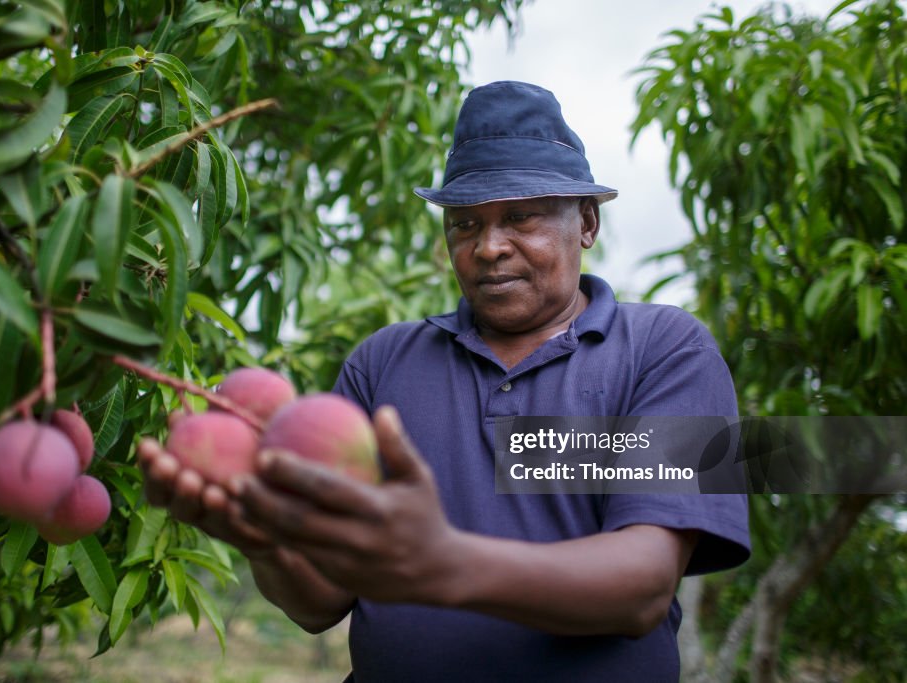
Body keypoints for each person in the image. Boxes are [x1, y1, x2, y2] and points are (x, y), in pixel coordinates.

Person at [139, 80, 750, 682]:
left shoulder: (667, 350)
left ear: (586, 222)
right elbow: (319, 605)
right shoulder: (382, 362)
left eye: (521, 217)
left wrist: (442, 562)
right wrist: (264, 540)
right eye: (463, 223)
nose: (488, 248)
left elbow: (640, 590)